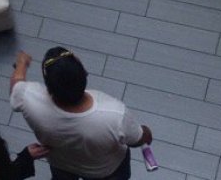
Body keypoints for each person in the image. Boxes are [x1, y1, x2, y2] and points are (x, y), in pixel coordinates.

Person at [10, 47, 152, 180]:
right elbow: (138, 140)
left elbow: (16, 85)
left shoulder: (28, 97)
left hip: (61, 165)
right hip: (107, 172)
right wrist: (146, 132)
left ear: (48, 87)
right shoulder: (115, 114)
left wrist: (22, 64)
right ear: (84, 73)